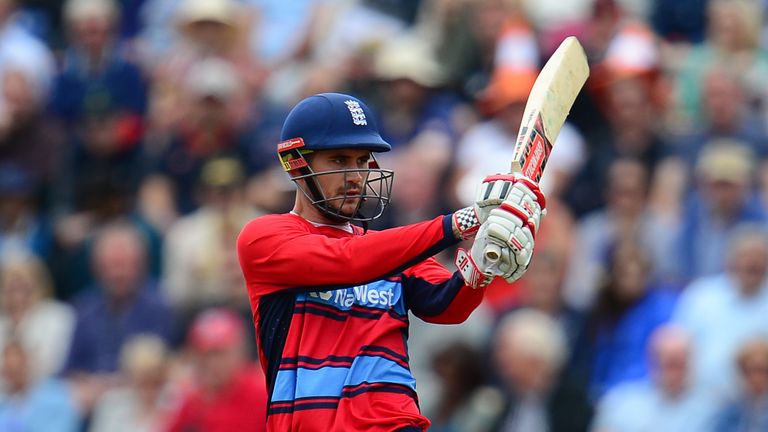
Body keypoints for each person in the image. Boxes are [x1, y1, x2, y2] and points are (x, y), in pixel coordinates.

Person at [236, 92, 546, 431]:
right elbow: (348, 262)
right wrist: (460, 223)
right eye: (339, 160)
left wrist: (482, 263)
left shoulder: (393, 249)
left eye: (362, 160)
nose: (356, 175)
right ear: (296, 162)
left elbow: (446, 306)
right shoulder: (264, 238)